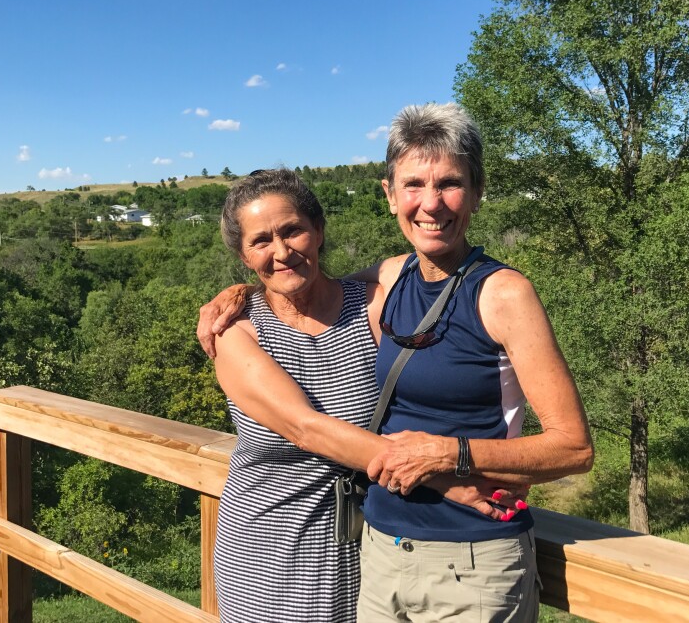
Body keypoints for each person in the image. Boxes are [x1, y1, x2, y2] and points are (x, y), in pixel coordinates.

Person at [200, 104, 594, 622]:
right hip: (311, 553)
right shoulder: (260, 325)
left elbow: (574, 447)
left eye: (450, 183)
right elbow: (306, 425)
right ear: (390, 195)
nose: (431, 204)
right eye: (413, 185)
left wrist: (446, 456)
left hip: (411, 556)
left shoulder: (417, 293)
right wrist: (236, 295)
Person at [210, 168, 524, 623]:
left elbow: (431, 256)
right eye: (261, 241)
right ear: (243, 255)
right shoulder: (237, 333)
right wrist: (446, 479)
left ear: (318, 231)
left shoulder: (374, 304)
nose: (282, 251)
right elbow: (305, 428)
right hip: (268, 556)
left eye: (293, 230)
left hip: (368, 555)